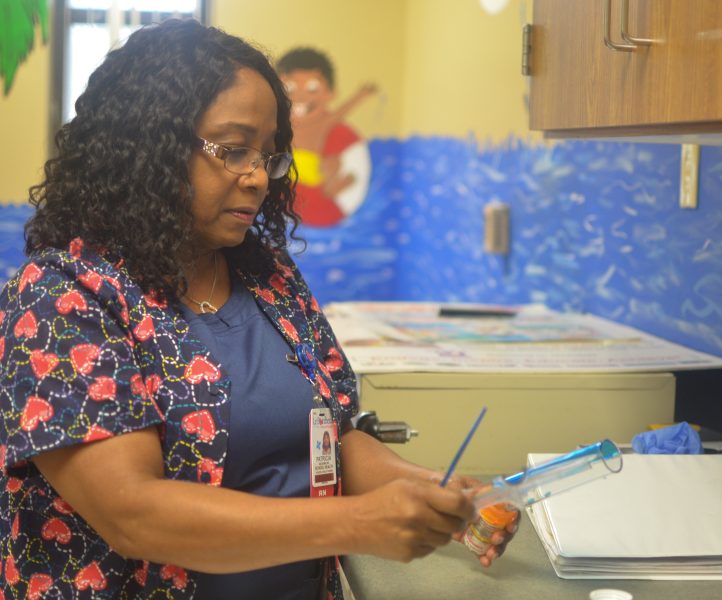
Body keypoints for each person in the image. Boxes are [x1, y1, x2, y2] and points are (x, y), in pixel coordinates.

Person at [0, 19, 517, 600]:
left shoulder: (266, 275)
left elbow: (328, 440)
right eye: (234, 150)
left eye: (268, 156)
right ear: (148, 147)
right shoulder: (63, 297)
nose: (257, 179)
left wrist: (431, 493)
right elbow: (134, 516)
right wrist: (363, 522)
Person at [277, 47, 376, 227]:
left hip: (314, 178)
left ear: (331, 94)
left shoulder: (323, 125)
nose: (300, 96)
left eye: (312, 88)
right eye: (289, 87)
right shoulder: (277, 125)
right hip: (294, 176)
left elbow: (343, 110)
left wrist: (361, 95)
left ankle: (337, 184)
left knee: (330, 167)